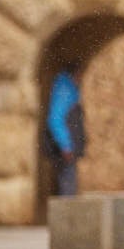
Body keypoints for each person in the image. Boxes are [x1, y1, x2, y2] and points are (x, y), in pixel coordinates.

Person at [45, 60, 86, 197]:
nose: (82, 78)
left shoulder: (69, 89)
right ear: (75, 73)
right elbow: (55, 119)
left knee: (68, 186)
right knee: (67, 189)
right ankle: (67, 218)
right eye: (80, 74)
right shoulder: (65, 90)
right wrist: (66, 146)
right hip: (64, 151)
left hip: (67, 149)